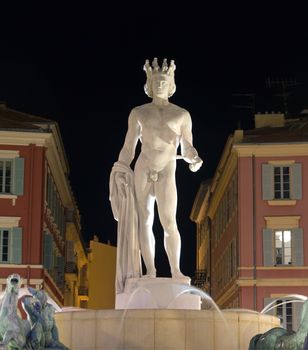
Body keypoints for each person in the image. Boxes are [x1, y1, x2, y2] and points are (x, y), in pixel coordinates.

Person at [115, 58, 203, 280]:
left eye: (164, 80)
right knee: (144, 220)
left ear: (171, 84)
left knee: (169, 221)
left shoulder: (182, 115)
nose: (160, 84)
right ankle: (151, 271)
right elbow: (129, 147)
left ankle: (176, 270)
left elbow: (187, 145)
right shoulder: (139, 112)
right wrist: (120, 168)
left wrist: (193, 158)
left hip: (167, 169)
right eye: (156, 81)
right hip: (143, 169)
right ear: (149, 85)